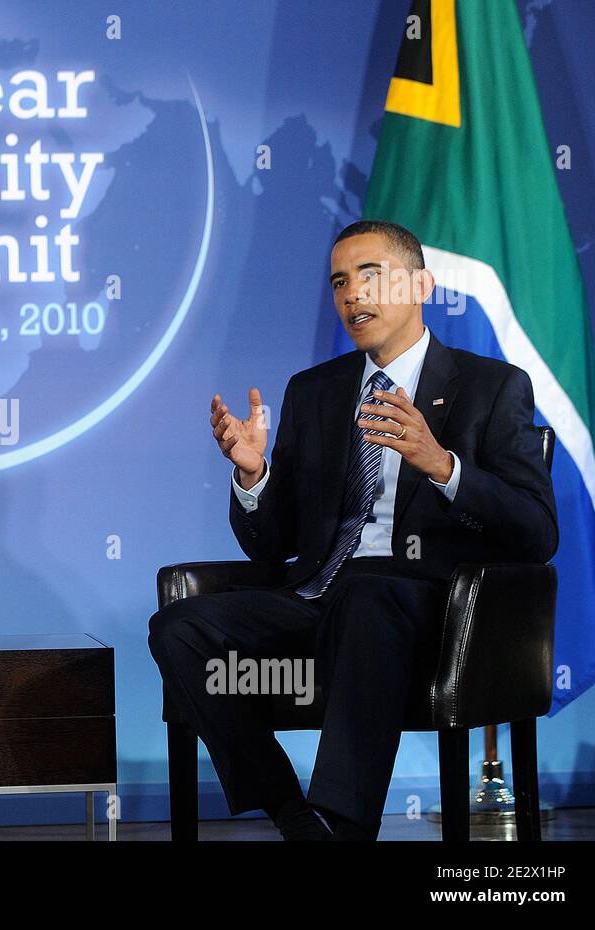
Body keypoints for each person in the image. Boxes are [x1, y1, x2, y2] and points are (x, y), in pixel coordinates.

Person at [148, 220, 558, 840]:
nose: (352, 296)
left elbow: (536, 530)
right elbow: (272, 545)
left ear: (420, 284)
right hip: (318, 593)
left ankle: (343, 818)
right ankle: (291, 811)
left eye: (370, 276)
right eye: (340, 282)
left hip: (429, 608)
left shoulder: (492, 387)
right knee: (179, 627)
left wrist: (443, 466)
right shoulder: (315, 392)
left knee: (370, 592)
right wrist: (255, 477)